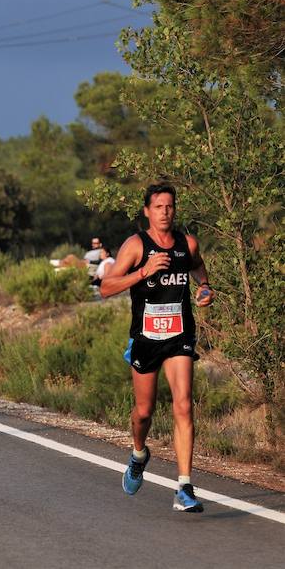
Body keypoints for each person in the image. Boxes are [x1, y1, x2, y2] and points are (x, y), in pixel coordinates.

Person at [100, 184, 214, 513]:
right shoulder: (136, 246)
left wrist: (204, 287)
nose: (165, 211)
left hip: (180, 335)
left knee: (183, 405)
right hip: (147, 338)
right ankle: (138, 454)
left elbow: (197, 265)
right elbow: (106, 288)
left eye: (170, 206)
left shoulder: (186, 243)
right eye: (159, 206)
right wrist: (143, 272)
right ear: (147, 211)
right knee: (144, 412)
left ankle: (184, 487)